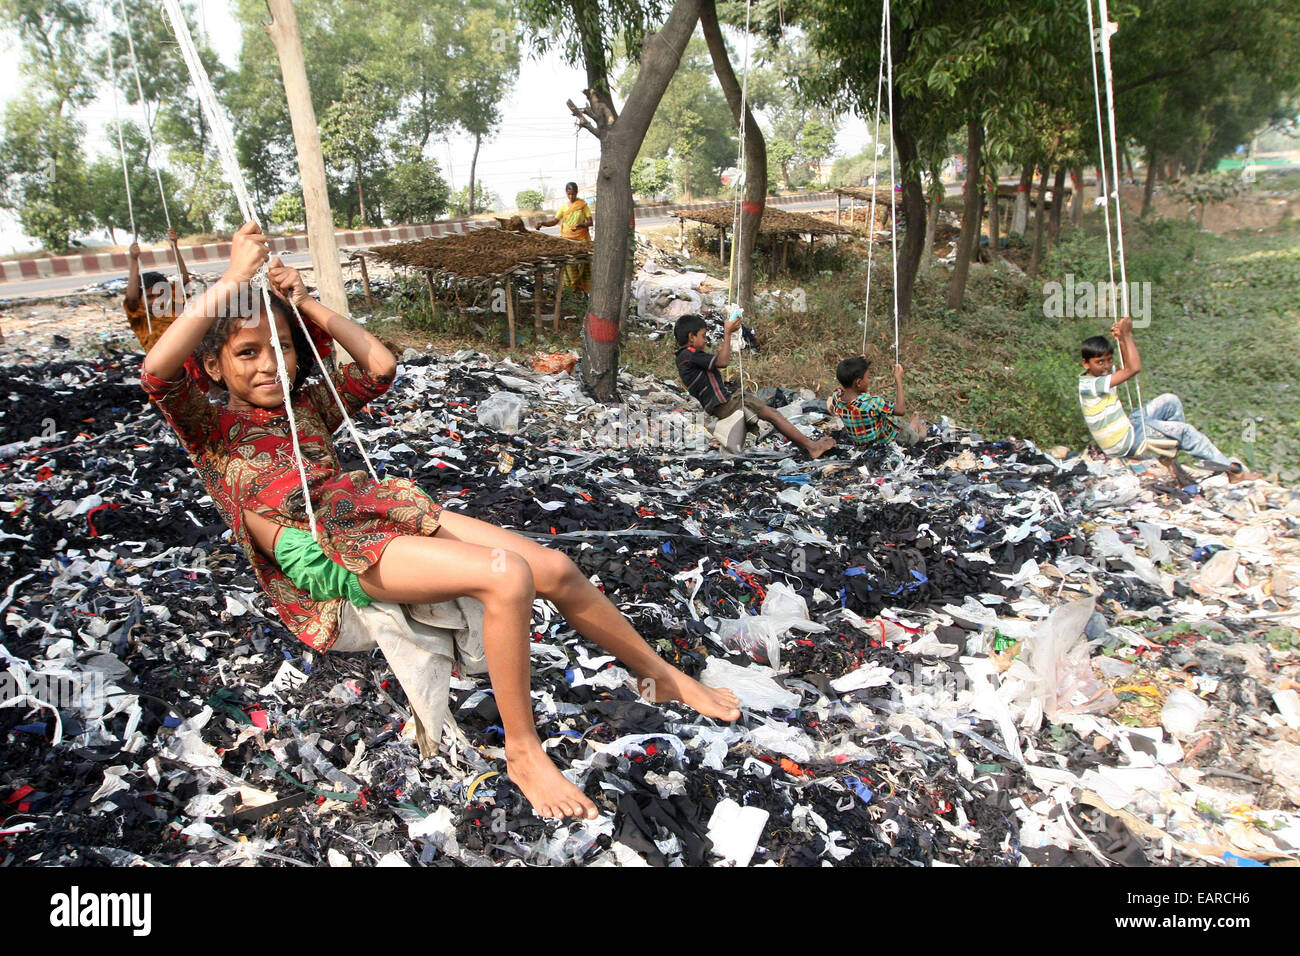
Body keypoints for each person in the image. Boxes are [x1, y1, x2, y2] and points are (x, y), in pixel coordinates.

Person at [140, 222, 740, 820]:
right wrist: (232, 282)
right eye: (248, 352)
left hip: (378, 510)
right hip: (327, 547)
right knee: (506, 577)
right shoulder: (210, 431)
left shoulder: (308, 405)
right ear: (215, 369)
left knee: (554, 567)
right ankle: (523, 752)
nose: (270, 365)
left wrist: (304, 303)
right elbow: (157, 372)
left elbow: (379, 364)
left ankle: (661, 675)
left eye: (283, 348)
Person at [1078, 316, 1260, 481]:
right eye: (1100, 362)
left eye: (1109, 360)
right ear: (1086, 363)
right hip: (1124, 442)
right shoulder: (1091, 385)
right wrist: (1127, 335)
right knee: (1186, 432)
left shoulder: (1102, 376)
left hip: (1128, 427)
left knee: (1170, 401)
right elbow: (1133, 368)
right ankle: (1231, 471)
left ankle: (1169, 458)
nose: (1107, 366)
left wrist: (1123, 340)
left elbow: (1126, 366)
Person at [674, 313, 835, 458]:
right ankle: (812, 447)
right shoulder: (690, 355)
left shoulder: (683, 357)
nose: (706, 339)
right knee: (773, 415)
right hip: (726, 403)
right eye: (703, 335)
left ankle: (808, 446)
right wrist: (727, 333)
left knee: (772, 414)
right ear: (691, 337)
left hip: (720, 404)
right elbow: (722, 361)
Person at [828, 356, 926, 448]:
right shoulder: (871, 403)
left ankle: (912, 426)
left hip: (861, 443)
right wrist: (898, 380)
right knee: (917, 436)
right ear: (858, 382)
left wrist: (860, 362)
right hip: (886, 440)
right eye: (867, 378)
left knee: (893, 420)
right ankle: (917, 430)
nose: (869, 381)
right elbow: (901, 410)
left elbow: (839, 391)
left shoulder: (837, 397)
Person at [124, 227, 195, 351]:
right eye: (150, 297)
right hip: (162, 367)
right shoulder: (140, 316)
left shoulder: (173, 305)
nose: (158, 300)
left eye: (161, 294)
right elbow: (132, 298)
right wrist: (134, 260)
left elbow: (184, 283)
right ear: (141, 299)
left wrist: (175, 248)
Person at [538, 182, 593, 295]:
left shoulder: (582, 205)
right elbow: (554, 221)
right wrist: (542, 223)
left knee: (583, 266)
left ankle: (583, 292)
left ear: (577, 192)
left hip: (582, 241)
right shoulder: (563, 207)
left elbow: (590, 222)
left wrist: (580, 225)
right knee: (570, 267)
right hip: (567, 242)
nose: (571, 196)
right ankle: (572, 292)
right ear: (566, 194)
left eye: (573, 194)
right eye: (569, 194)